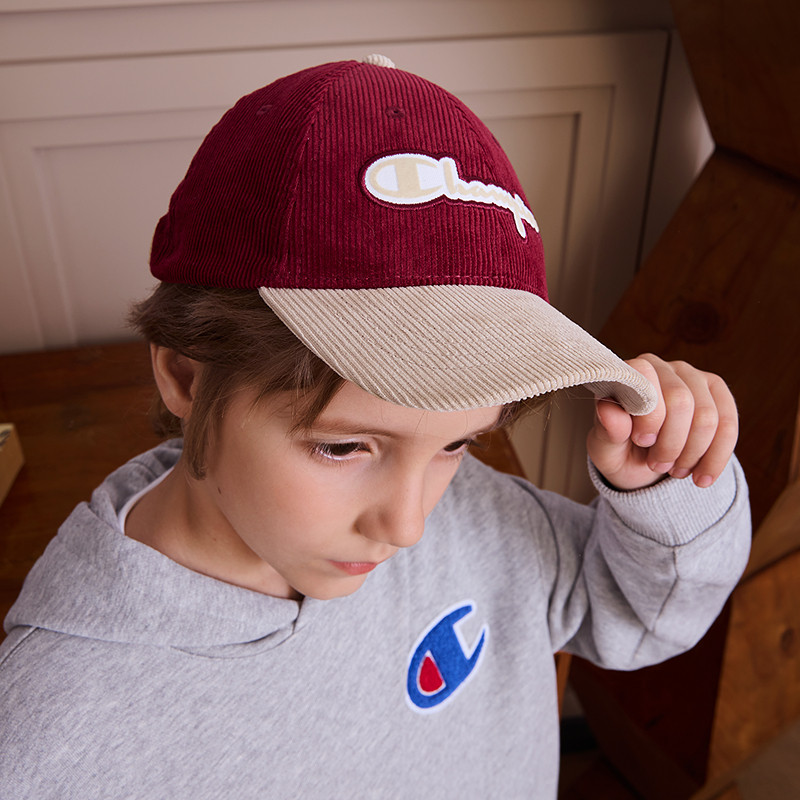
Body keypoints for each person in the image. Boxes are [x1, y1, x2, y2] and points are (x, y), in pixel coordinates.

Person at [0, 55, 750, 799]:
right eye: (342, 446)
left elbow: (641, 615)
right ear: (187, 377)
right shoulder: (54, 738)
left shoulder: (480, 519)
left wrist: (663, 489)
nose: (408, 525)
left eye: (457, 443)